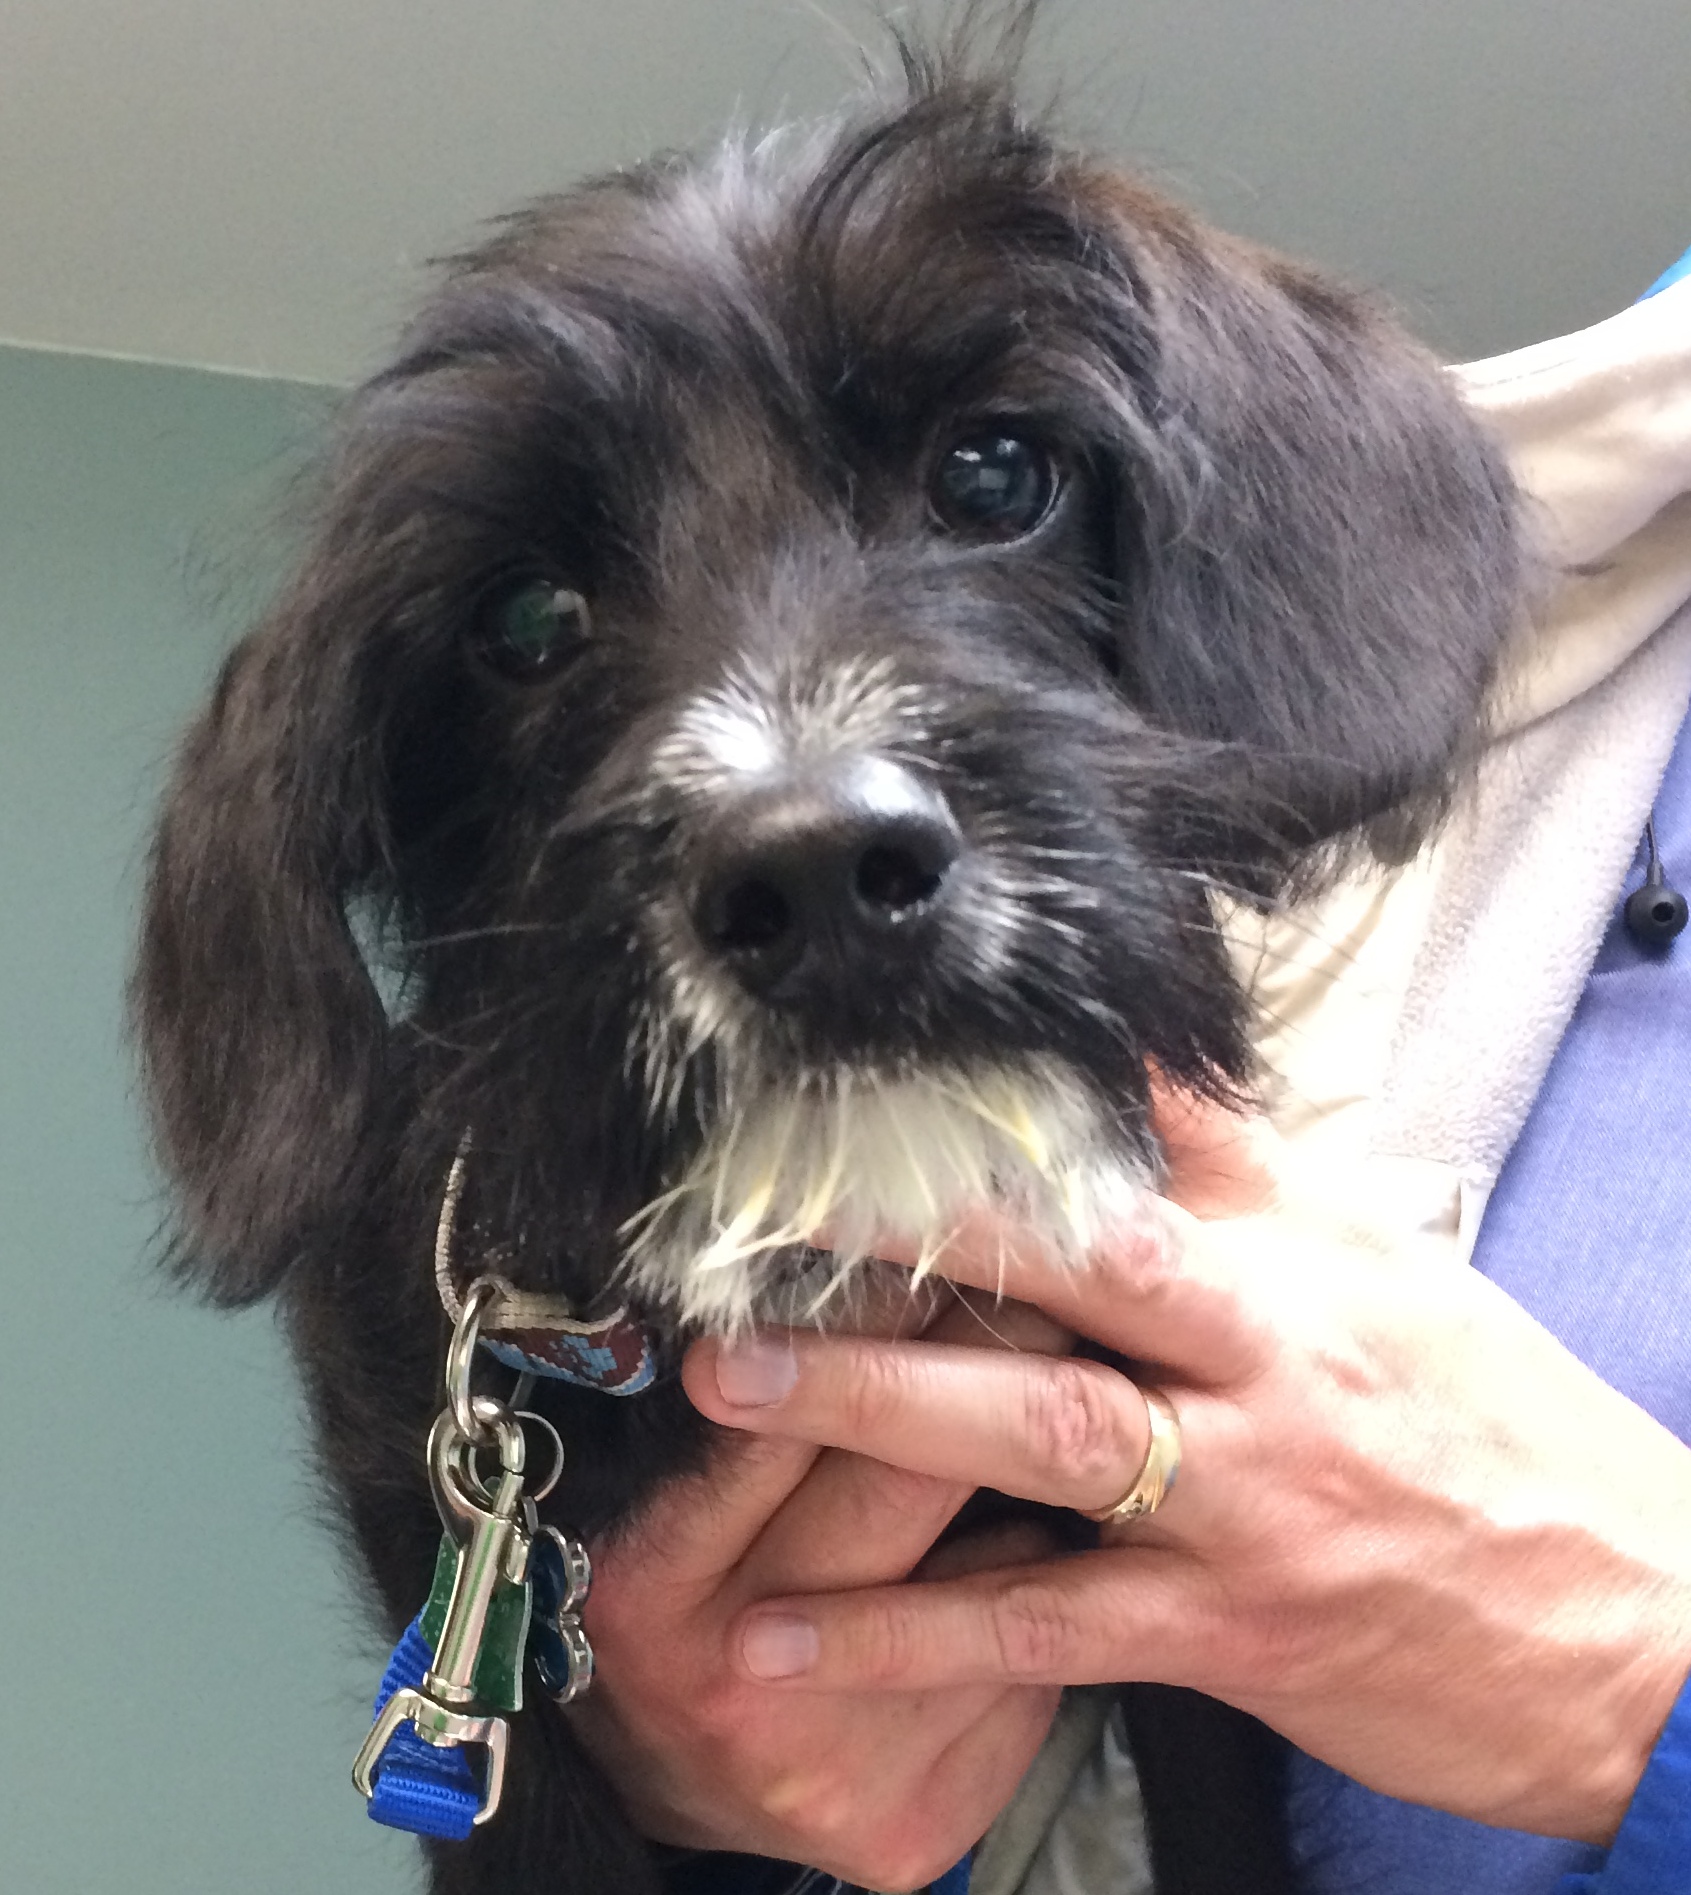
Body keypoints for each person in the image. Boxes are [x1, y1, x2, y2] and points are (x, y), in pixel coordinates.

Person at [569, 261, 1691, 1895]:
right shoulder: (1491, 542)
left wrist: (1644, 1683)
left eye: (990, 484)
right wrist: (663, 1814)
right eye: (546, 631)